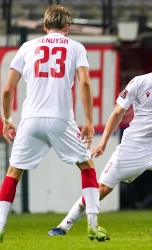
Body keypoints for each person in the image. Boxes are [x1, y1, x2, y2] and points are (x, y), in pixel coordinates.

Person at [47, 44, 152, 236]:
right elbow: (118, 113)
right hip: (132, 149)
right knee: (100, 189)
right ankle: (63, 226)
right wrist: (103, 143)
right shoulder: (139, 83)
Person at [0, 5, 109, 243]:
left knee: (13, 172)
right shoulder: (76, 47)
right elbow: (85, 84)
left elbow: (8, 89)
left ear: (44, 26)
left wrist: (7, 120)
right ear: (68, 27)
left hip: (30, 120)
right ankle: (92, 225)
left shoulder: (27, 47)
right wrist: (89, 121)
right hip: (60, 119)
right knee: (86, 165)